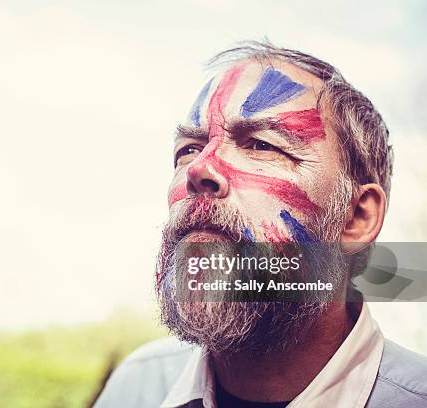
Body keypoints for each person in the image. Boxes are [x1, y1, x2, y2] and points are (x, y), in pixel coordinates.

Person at [94, 42, 427, 407]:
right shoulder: (135, 387)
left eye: (261, 145)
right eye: (189, 148)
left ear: (358, 218)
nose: (198, 169)